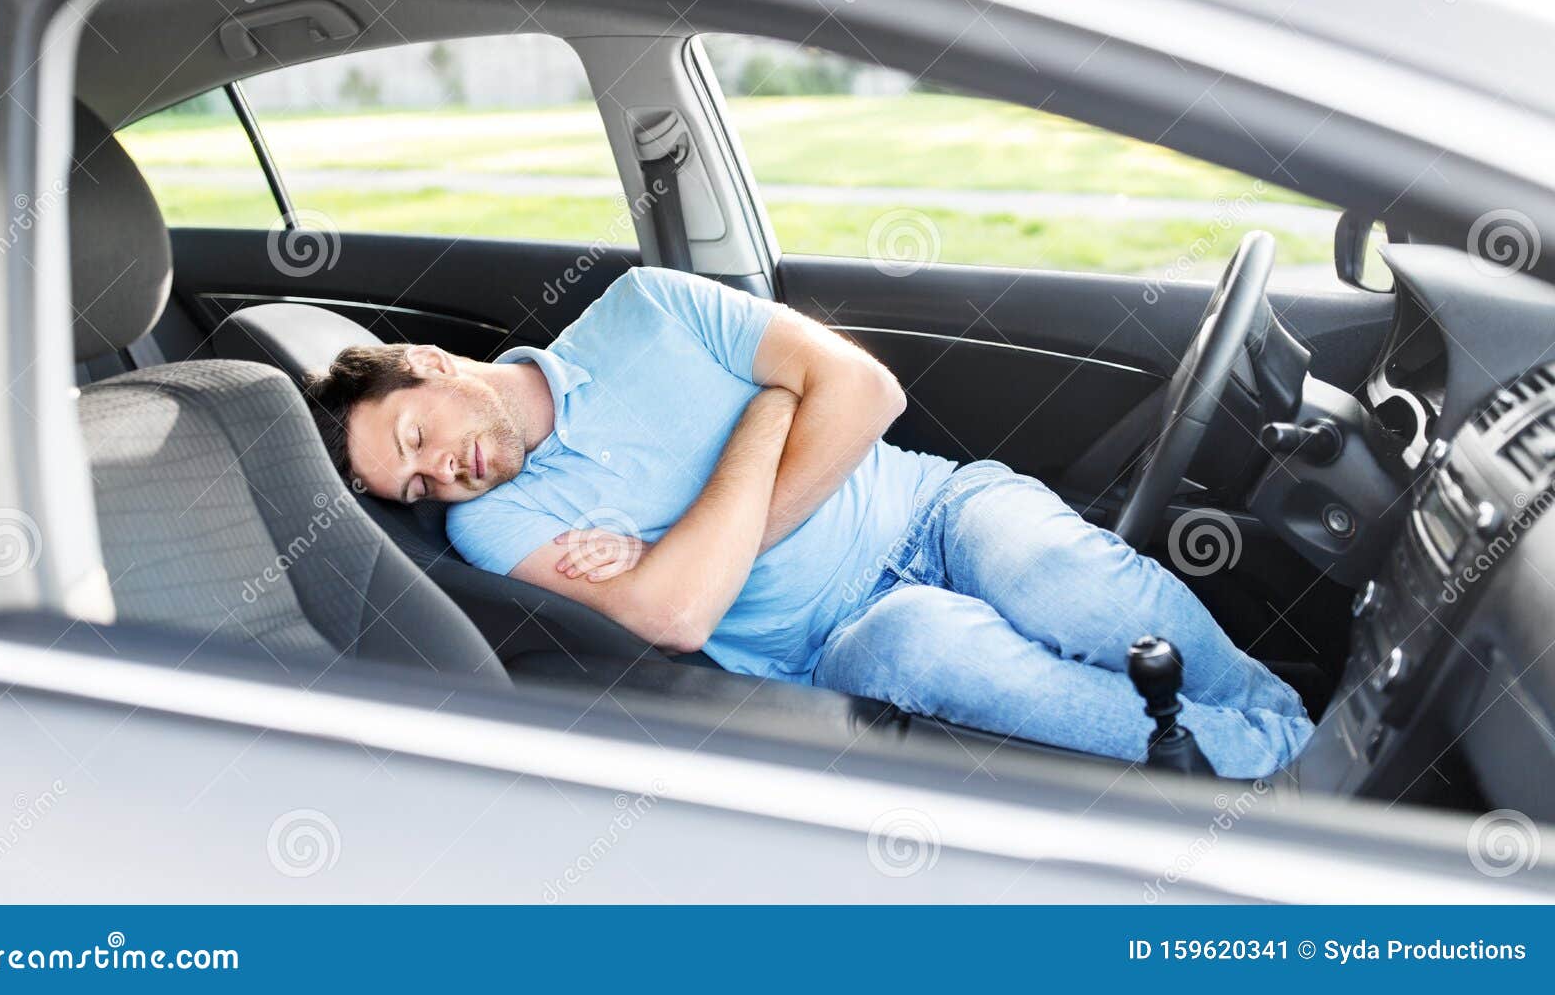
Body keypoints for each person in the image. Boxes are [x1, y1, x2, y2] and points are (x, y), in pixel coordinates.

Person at [303, 266, 1312, 777]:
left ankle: (1292, 733)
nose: (444, 471)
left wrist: (703, 535)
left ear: (428, 364)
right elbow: (677, 615)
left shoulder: (644, 306)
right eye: (419, 487)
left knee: (1053, 566)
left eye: (416, 435)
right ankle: (1274, 780)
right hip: (833, 643)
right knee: (928, 640)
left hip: (929, 504)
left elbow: (865, 389)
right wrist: (769, 408)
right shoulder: (491, 528)